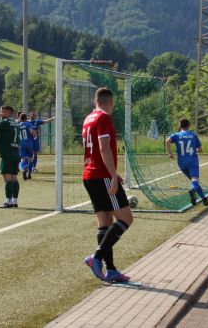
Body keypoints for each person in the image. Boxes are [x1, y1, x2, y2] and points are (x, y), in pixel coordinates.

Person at [82, 87, 132, 283]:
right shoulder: (103, 118)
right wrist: (112, 175)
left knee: (104, 222)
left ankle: (110, 270)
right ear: (110, 102)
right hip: (102, 175)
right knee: (126, 219)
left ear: (96, 101)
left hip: (89, 175)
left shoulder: (88, 118)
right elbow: (103, 148)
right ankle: (96, 258)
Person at [165, 118, 208, 207]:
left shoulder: (176, 135)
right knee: (195, 181)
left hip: (181, 163)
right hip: (192, 161)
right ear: (189, 126)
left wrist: (170, 153)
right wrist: (196, 148)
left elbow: (167, 141)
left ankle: (204, 199)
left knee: (194, 181)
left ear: (179, 126)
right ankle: (193, 191)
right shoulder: (193, 135)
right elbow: (200, 150)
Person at [18, 113, 37, 180]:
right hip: (29, 143)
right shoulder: (28, 124)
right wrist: (35, 136)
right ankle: (29, 174)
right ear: (26, 118)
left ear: (20, 118)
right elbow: (32, 131)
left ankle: (24, 168)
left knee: (23, 159)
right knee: (30, 159)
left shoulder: (18, 125)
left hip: (21, 143)